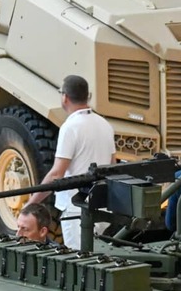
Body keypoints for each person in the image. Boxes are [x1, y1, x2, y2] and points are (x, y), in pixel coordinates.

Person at [26, 75, 116, 226]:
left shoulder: (70, 128)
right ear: (88, 96)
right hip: (103, 207)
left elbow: (57, 174)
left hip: (76, 209)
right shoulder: (105, 124)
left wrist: (31, 203)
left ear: (65, 97)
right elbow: (112, 165)